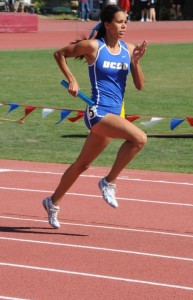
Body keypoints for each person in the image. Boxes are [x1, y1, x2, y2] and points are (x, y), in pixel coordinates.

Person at [42, 4, 147, 229]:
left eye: (126, 22)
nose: (124, 26)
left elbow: (139, 85)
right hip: (97, 112)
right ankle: (109, 182)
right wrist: (72, 79)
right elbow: (59, 54)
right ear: (107, 24)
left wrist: (135, 63)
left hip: (115, 114)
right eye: (119, 22)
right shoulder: (93, 47)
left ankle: (53, 202)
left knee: (82, 165)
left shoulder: (128, 49)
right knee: (139, 138)